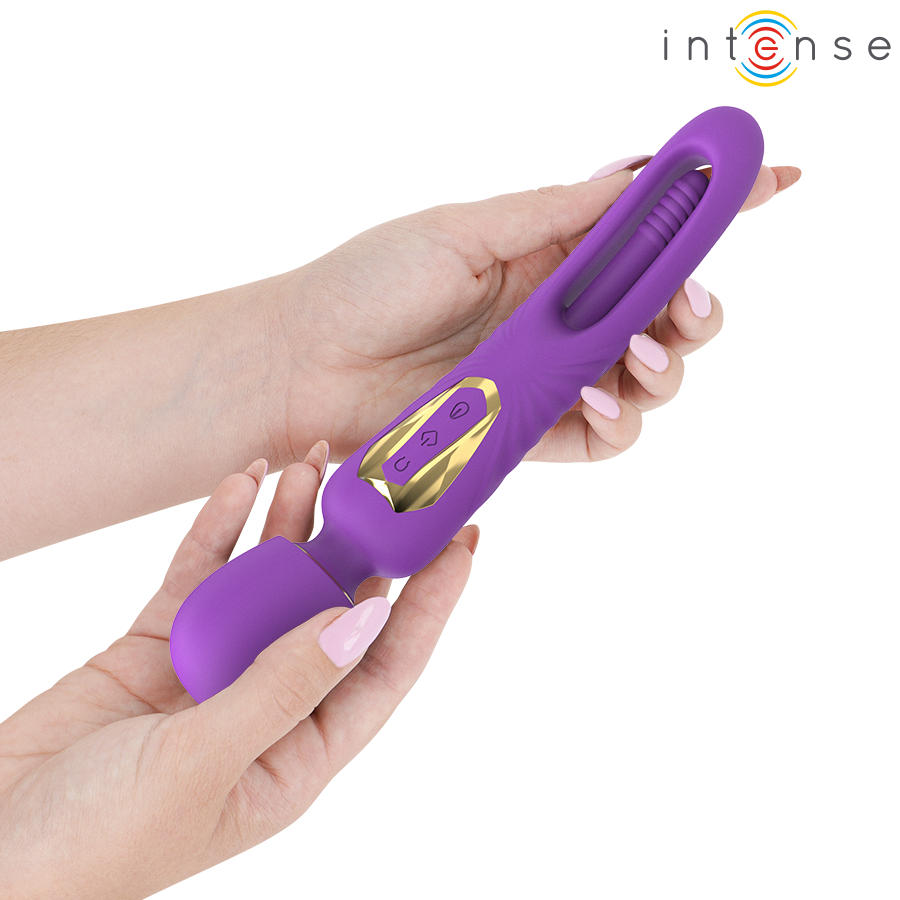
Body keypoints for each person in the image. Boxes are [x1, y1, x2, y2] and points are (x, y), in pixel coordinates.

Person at [0, 159, 799, 897]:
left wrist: (293, 354)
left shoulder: (367, 523)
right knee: (539, 364)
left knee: (537, 359)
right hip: (430, 461)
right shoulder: (367, 523)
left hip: (458, 416)